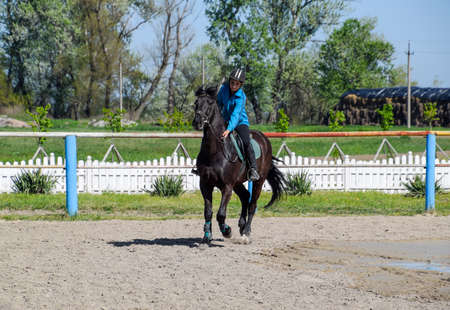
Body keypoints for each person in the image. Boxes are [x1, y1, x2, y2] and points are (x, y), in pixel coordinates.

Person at [217, 68, 260, 181]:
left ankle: (253, 169)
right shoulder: (223, 89)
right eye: (232, 83)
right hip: (224, 120)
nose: (233, 86)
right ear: (229, 81)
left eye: (237, 84)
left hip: (239, 123)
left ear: (240, 85)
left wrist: (228, 129)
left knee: (246, 141)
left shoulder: (241, 97)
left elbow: (235, 116)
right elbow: (218, 104)